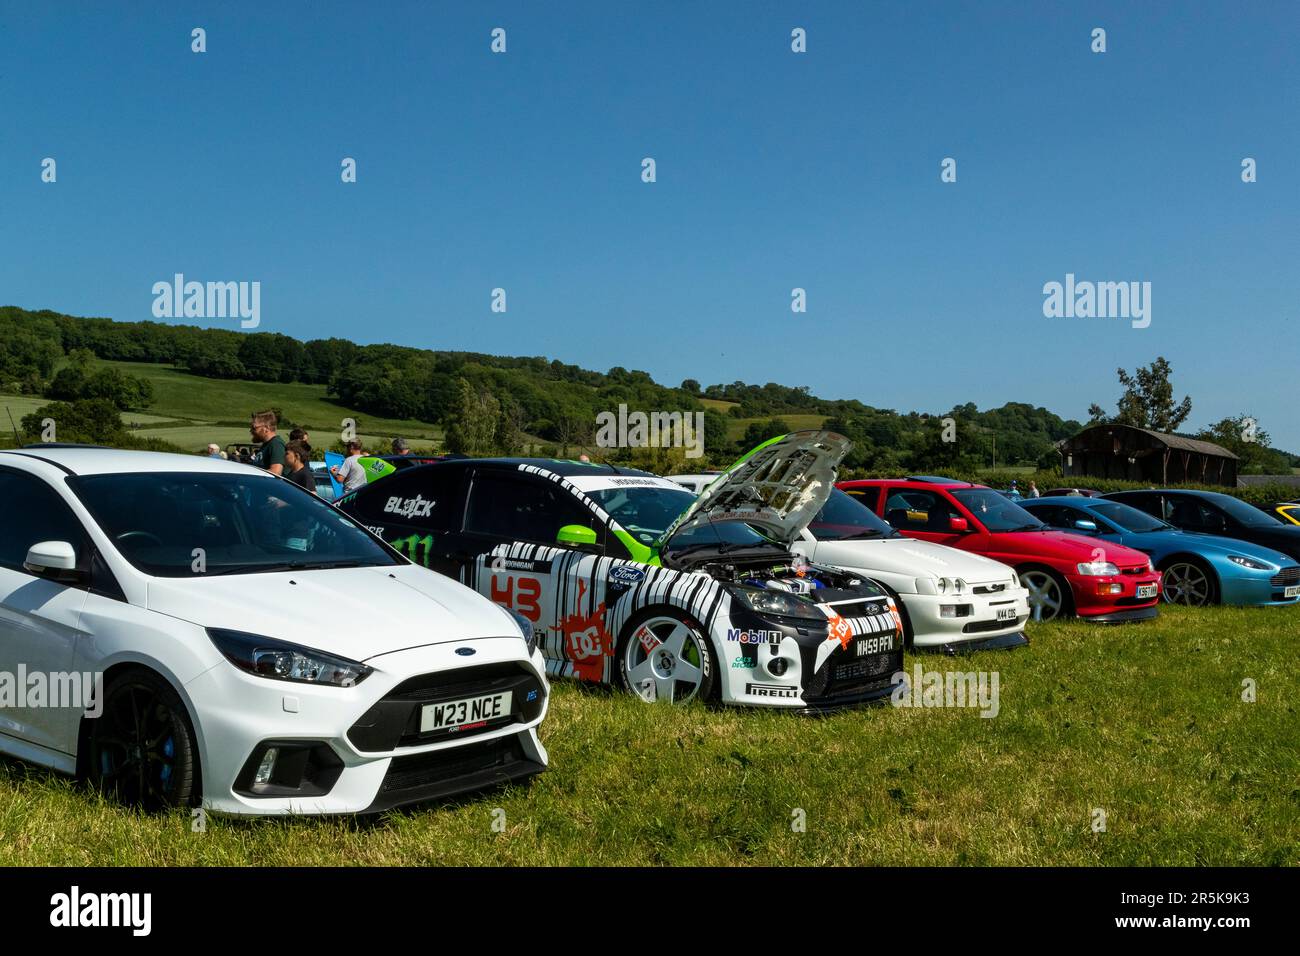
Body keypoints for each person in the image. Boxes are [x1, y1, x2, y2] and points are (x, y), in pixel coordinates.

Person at [250, 411, 286, 476]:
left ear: (266, 428)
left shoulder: (276, 444)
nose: (251, 430)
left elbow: (276, 472)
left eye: (254, 428)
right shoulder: (266, 445)